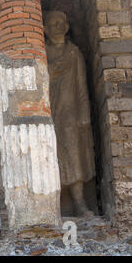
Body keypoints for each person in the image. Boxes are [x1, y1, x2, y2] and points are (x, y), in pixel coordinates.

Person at [44, 11, 95, 217]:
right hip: (48, 111)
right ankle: (55, 203)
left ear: (66, 27)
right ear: (45, 29)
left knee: (74, 156)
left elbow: (82, 86)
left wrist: (84, 113)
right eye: (53, 23)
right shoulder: (43, 53)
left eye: (61, 23)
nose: (57, 26)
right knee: (51, 156)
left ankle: (79, 202)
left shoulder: (74, 53)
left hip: (71, 113)